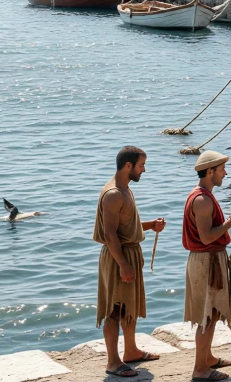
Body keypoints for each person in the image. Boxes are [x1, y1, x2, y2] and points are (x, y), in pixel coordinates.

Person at [95, 146, 166, 379]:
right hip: (118, 257)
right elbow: (110, 234)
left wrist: (149, 225)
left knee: (129, 306)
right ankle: (113, 362)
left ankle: (132, 351)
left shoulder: (125, 189)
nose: (143, 169)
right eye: (141, 165)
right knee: (115, 309)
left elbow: (126, 225)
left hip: (128, 253)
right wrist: (123, 264)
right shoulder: (113, 193)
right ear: (128, 166)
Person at [184, 151, 231, 382]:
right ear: (210, 171)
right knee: (206, 316)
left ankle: (207, 358)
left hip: (209, 261)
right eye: (221, 169)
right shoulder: (202, 200)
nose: (225, 173)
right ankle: (200, 370)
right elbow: (207, 237)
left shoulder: (203, 196)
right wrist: (230, 223)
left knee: (213, 312)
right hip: (206, 262)